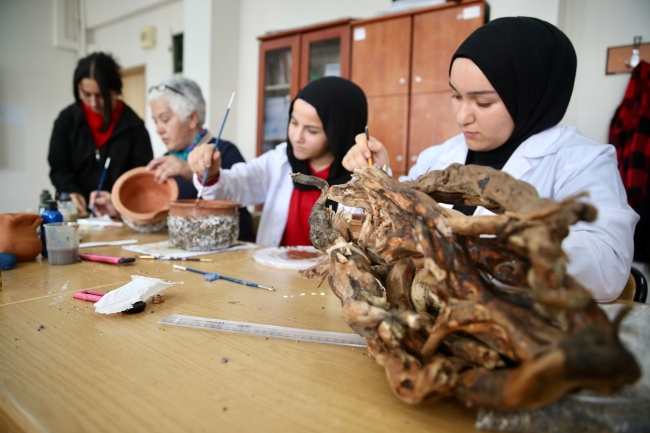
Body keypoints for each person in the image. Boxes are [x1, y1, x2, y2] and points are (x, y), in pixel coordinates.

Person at [342, 17, 638, 303]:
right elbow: (396, 222)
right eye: (456, 96)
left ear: (531, 95)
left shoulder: (581, 162)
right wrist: (378, 176)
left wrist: (475, 237)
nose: (462, 116)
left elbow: (608, 271)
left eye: (483, 102)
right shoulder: (442, 155)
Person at [188, 76, 367, 247]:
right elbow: (236, 186)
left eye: (312, 131)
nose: (297, 137)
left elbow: (379, 231)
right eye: (294, 122)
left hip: (330, 277)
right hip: (275, 274)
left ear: (339, 132)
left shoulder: (361, 174)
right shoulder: (281, 159)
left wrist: (373, 176)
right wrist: (211, 174)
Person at [92, 76, 255, 242]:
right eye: (156, 122)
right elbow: (156, 220)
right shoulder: (165, 162)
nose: (158, 129)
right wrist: (120, 209)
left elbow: (236, 202)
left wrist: (191, 170)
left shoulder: (224, 152)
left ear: (192, 119)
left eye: (165, 119)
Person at [48, 52, 153, 214]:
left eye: (100, 95)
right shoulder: (66, 120)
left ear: (115, 90)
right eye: (86, 94)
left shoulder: (133, 126)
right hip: (79, 214)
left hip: (119, 214)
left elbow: (142, 175)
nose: (93, 102)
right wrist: (70, 191)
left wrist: (117, 200)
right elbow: (58, 166)